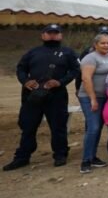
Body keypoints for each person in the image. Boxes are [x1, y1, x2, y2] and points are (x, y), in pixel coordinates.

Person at [4, 24, 79, 172]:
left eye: (55, 33)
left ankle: (60, 154)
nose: (52, 35)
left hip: (56, 95)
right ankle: (22, 157)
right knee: (28, 127)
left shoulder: (68, 52)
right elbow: (21, 68)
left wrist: (61, 82)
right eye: (49, 33)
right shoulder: (33, 52)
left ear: (60, 35)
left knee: (58, 127)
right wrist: (25, 81)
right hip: (32, 95)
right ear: (42, 35)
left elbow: (75, 70)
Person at [78, 32, 108, 173]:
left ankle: (93, 157)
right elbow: (86, 79)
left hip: (106, 98)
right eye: (103, 43)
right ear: (95, 44)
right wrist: (93, 98)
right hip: (90, 97)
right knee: (93, 128)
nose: (106, 45)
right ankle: (86, 161)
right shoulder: (90, 58)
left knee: (98, 127)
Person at [76, 25, 108, 90]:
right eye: (102, 34)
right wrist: (77, 87)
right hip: (93, 87)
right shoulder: (89, 50)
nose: (104, 36)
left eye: (107, 34)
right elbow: (81, 71)